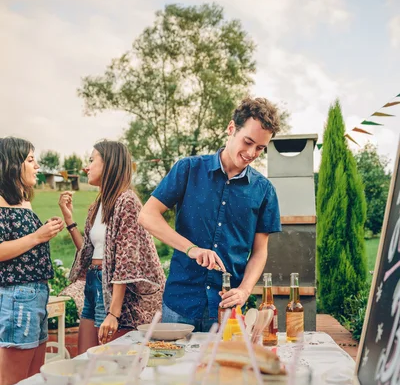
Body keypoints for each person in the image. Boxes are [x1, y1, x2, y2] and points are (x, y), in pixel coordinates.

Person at [138, 97, 282, 332]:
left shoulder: (264, 191)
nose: (251, 153)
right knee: (174, 368)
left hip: (227, 309)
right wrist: (191, 249)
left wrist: (245, 291)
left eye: (260, 148)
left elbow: (259, 252)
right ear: (231, 128)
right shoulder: (188, 169)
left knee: (223, 369)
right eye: (248, 142)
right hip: (179, 305)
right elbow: (147, 216)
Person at [59, 140, 165, 353]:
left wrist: (114, 313)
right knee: (85, 359)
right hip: (94, 282)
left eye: (91, 160)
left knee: (109, 363)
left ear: (109, 164)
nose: (86, 167)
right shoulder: (98, 205)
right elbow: (88, 253)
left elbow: (126, 262)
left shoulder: (127, 202)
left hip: (115, 291)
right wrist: (69, 221)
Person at [0, 137, 64, 385]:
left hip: (35, 293)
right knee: (13, 384)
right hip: (18, 295)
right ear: (12, 165)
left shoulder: (22, 201)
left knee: (35, 377)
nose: (37, 166)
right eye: (30, 160)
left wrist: (45, 229)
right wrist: (38, 235)